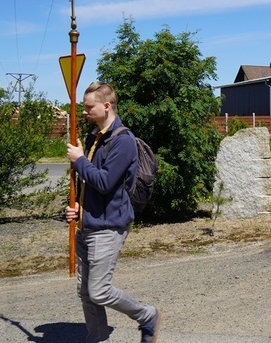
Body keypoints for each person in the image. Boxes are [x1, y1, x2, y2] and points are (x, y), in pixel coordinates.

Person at [65, 82, 161, 343]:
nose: (84, 112)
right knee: (85, 293)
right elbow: (89, 185)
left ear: (106, 106)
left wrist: (79, 160)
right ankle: (96, 339)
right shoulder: (94, 136)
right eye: (83, 107)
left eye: (89, 107)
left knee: (99, 291)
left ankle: (147, 315)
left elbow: (105, 182)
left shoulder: (123, 141)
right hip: (88, 224)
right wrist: (77, 208)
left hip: (109, 227)